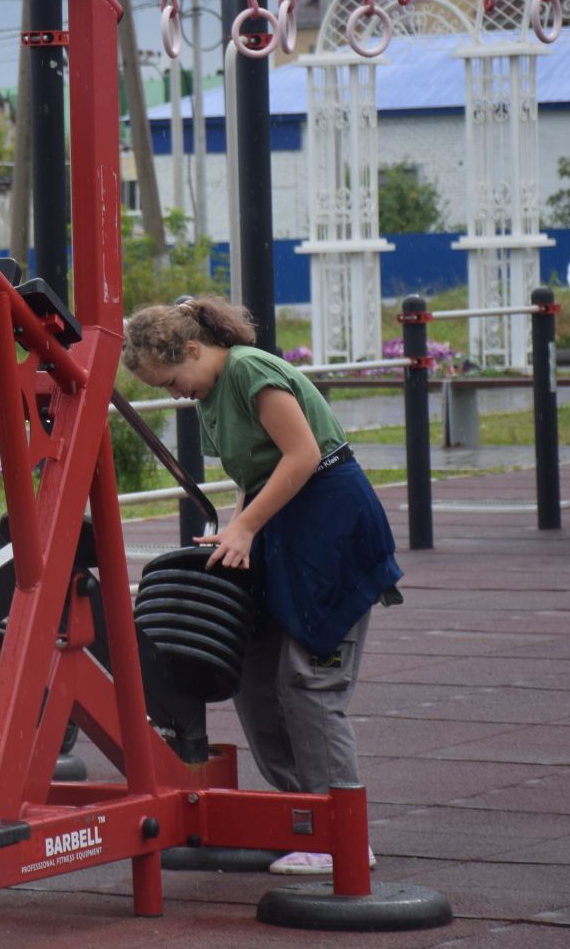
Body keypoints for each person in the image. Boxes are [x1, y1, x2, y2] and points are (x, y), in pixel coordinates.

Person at [123, 296, 403, 878]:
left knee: (309, 681)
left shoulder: (249, 369)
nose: (175, 393)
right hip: (283, 528)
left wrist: (247, 526)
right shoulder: (209, 394)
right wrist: (234, 529)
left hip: (330, 525)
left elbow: (303, 456)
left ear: (195, 349)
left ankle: (342, 833)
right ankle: (299, 817)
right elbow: (258, 472)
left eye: (174, 380)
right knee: (252, 678)